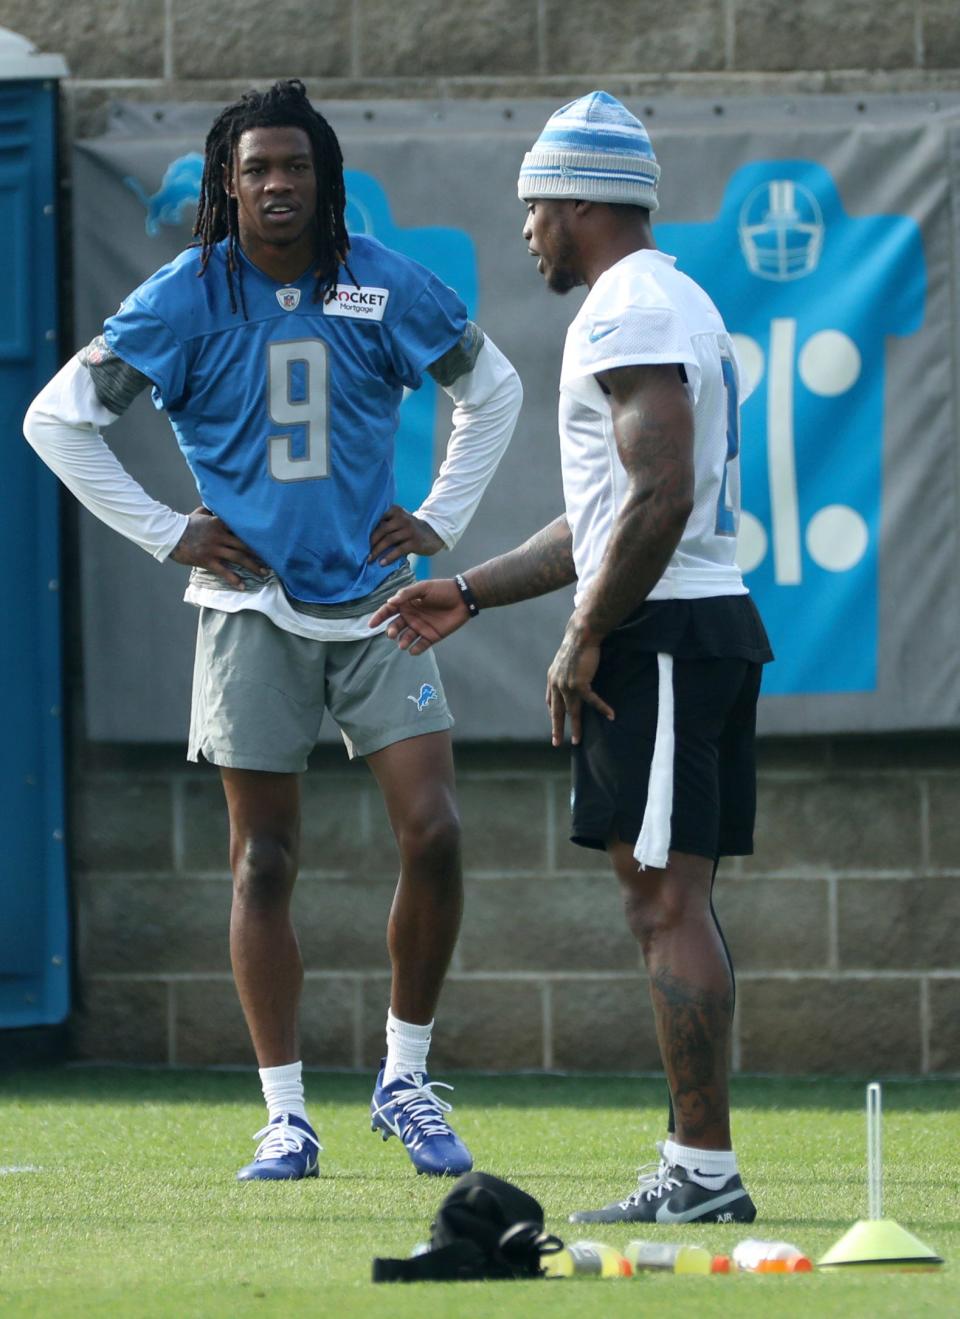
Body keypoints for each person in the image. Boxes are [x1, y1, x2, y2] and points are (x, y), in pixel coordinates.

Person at [24, 79, 522, 1182]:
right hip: (251, 611)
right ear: (226, 182)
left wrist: (440, 517)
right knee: (265, 860)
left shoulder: (380, 281)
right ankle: (286, 1114)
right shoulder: (184, 295)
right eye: (256, 168)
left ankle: (402, 1078)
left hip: (379, 602)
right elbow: (54, 416)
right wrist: (167, 530)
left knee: (434, 828)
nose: (277, 184)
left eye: (294, 165)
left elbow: (493, 386)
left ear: (324, 176)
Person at [370, 91, 773, 1225]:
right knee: (674, 896)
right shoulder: (667, 296)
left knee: (661, 902)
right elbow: (606, 517)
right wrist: (472, 589)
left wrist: (589, 631)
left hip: (662, 635)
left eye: (535, 209)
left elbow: (659, 490)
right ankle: (702, 1167)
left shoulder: (626, 307)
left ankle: (701, 1171)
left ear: (582, 200)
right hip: (697, 621)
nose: (527, 233)